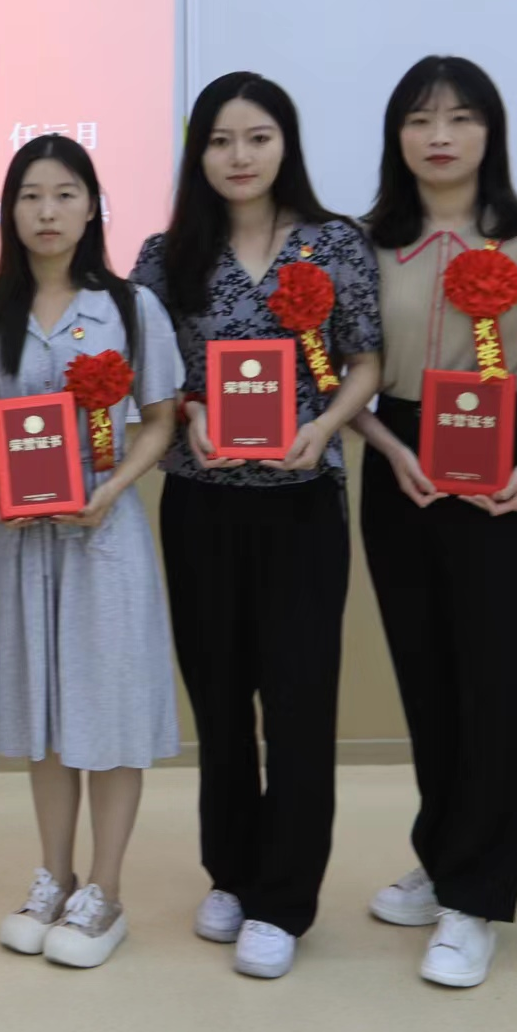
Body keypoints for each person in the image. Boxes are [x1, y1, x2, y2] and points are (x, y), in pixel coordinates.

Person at [130, 71, 382, 981]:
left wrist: (325, 425)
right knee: (220, 699)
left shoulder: (334, 242)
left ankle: (284, 899)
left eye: (258, 137)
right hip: (202, 501)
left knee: (300, 702)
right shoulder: (167, 256)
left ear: (286, 144)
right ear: (197, 153)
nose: (239, 156)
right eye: (220, 140)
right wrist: (191, 412)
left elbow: (364, 360)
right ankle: (232, 873)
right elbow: (151, 378)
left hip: (301, 502)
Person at [346, 56, 517, 988]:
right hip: (399, 461)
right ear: (396, 136)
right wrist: (382, 444)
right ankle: (445, 855)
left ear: (492, 130)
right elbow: (345, 375)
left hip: (501, 469)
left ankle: (476, 898)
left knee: (496, 685)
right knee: (428, 678)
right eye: (419, 119)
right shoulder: (364, 242)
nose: (439, 136)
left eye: (460, 118)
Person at [0, 136, 180, 970]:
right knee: (44, 712)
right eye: (30, 196)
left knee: (108, 713)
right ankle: (54, 875)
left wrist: (112, 487)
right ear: (10, 212)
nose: (47, 212)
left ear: (92, 208)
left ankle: (106, 891)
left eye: (64, 194)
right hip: (20, 542)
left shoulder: (132, 309)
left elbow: (159, 419)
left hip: (102, 536)